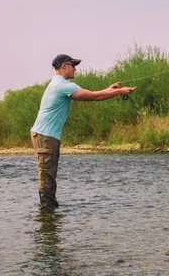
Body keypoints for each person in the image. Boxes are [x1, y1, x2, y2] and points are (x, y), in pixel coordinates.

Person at [30, 54, 136, 210]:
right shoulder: (62, 85)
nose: (75, 69)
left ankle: (49, 214)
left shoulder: (59, 84)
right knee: (47, 175)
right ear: (64, 66)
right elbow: (92, 97)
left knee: (48, 174)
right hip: (45, 137)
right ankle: (47, 214)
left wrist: (109, 90)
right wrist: (118, 92)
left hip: (45, 136)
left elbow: (94, 95)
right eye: (73, 66)